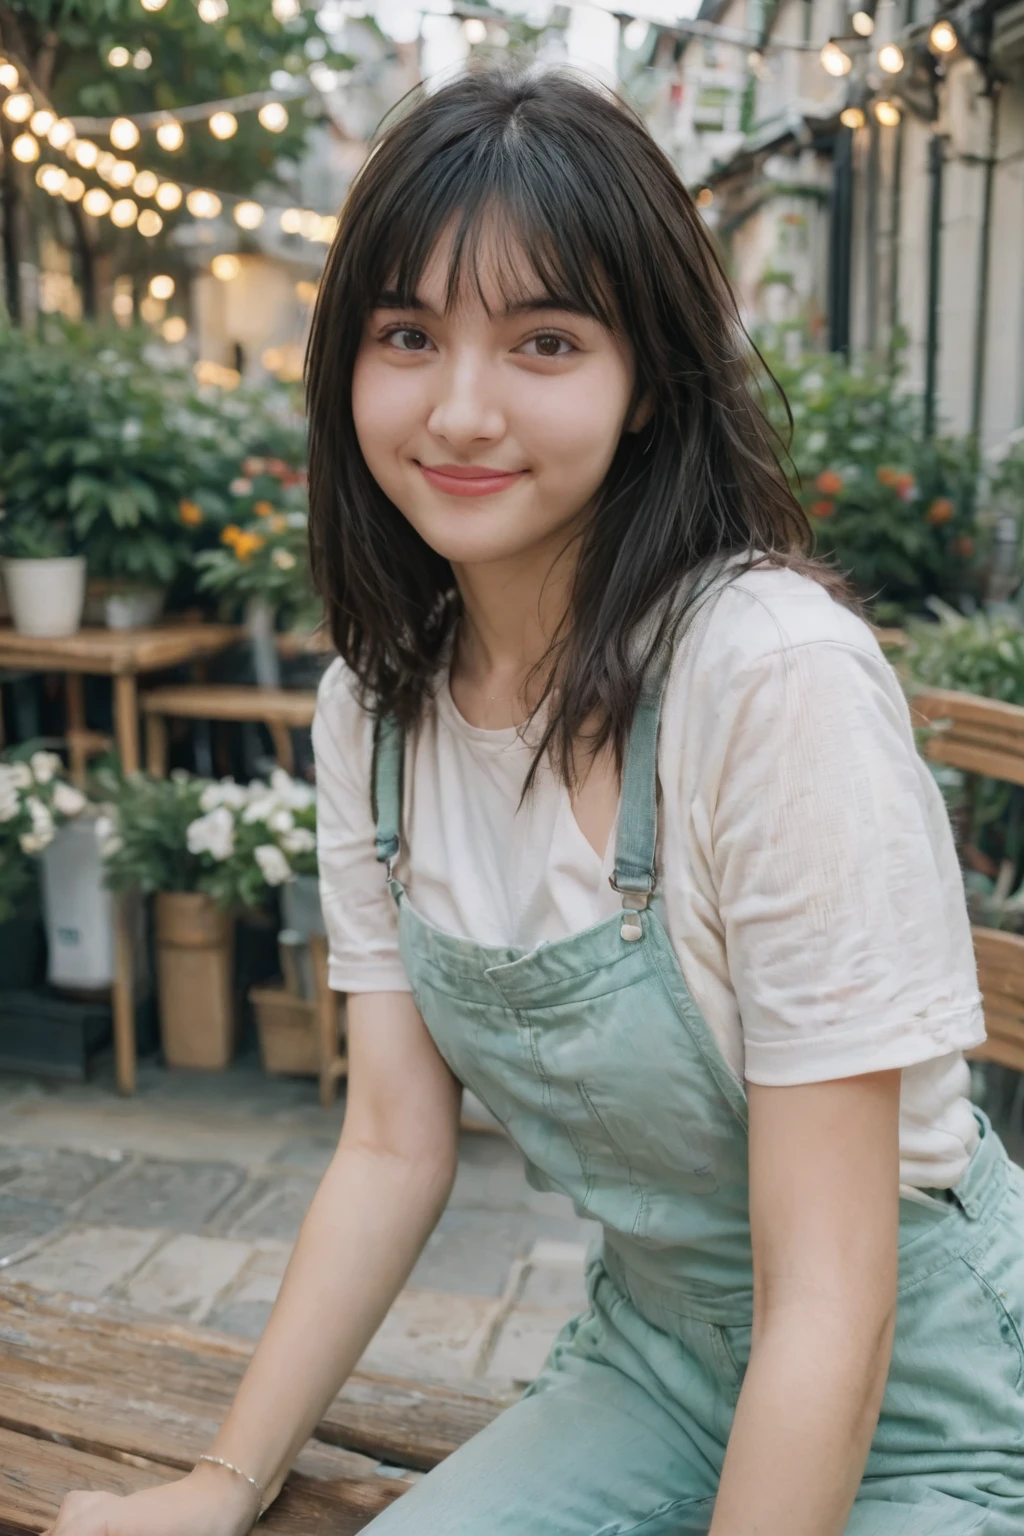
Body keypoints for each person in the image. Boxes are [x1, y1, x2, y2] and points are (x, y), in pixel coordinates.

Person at [48, 65, 1024, 1536]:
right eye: (406, 334)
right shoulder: (372, 714)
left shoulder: (770, 680)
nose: (460, 408)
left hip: (936, 1396)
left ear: (646, 387)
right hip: (661, 1362)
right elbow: (390, 1144)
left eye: (544, 341)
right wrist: (218, 1482)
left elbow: (833, 1298)